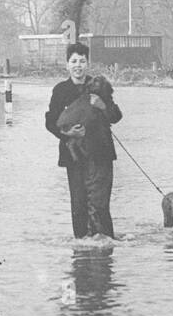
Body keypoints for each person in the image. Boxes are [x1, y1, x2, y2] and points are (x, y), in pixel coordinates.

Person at [44, 42, 122, 239]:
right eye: (73, 61)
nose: (78, 65)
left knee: (100, 205)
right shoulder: (61, 90)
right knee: (78, 205)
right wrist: (69, 133)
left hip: (101, 154)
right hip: (74, 156)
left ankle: (106, 247)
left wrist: (103, 105)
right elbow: (50, 121)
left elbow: (116, 116)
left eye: (82, 61)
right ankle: (82, 251)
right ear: (67, 65)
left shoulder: (99, 86)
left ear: (88, 63)